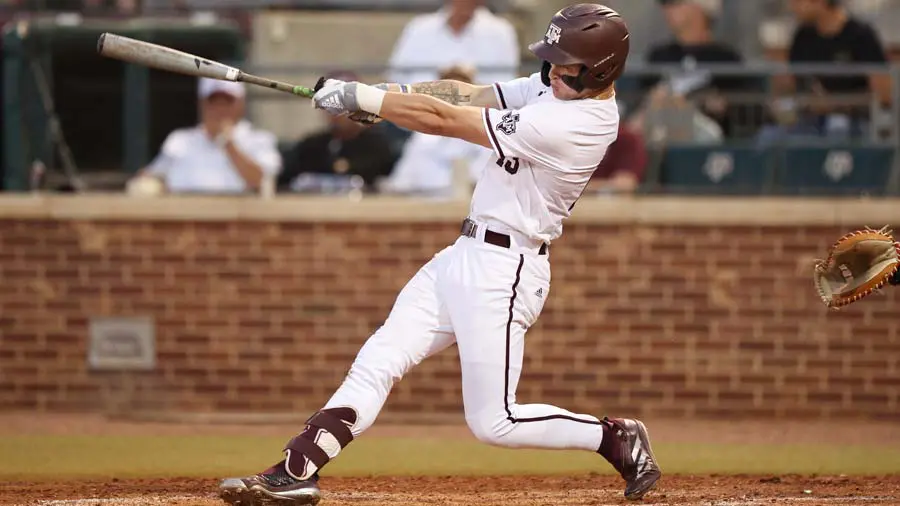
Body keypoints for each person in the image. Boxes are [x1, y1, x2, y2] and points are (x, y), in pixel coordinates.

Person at [218, 4, 661, 506]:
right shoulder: (552, 87)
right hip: (463, 253)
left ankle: (613, 437)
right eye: (553, 60)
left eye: (568, 64)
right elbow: (463, 94)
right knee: (380, 357)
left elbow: (447, 120)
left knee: (495, 422)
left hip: (507, 270)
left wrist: (366, 98)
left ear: (601, 68)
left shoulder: (579, 123)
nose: (555, 71)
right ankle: (296, 468)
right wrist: (382, 97)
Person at [758, 0, 889, 144]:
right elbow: (792, 85)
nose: (792, 6)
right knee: (768, 137)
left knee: (837, 127)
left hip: (853, 121)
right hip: (809, 120)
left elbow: (884, 95)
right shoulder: (803, 36)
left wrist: (834, 103)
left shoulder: (861, 36)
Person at [129, 78, 281, 194]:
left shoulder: (259, 140)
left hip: (238, 224)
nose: (220, 109)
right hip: (183, 221)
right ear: (202, 104)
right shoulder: (179, 140)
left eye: (227, 102)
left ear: (240, 104)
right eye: (214, 102)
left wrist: (227, 143)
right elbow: (153, 177)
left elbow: (260, 182)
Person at [278, 71, 397, 194]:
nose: (338, 112)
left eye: (345, 103)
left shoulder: (377, 146)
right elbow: (285, 182)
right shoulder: (311, 145)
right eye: (329, 102)